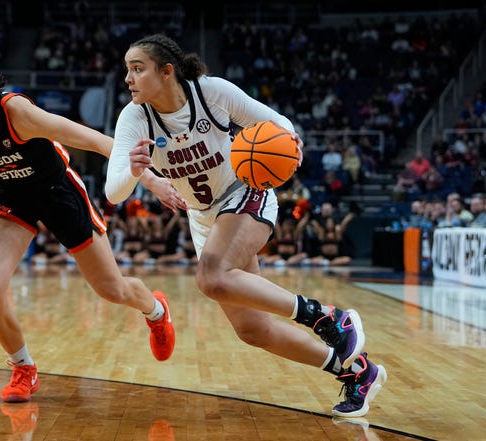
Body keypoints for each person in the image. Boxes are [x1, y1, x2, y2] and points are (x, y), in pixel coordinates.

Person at [105, 34, 386, 418]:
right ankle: (358, 373)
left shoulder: (212, 93)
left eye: (137, 68)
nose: (128, 78)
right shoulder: (134, 118)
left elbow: (277, 123)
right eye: (127, 70)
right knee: (252, 330)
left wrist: (289, 143)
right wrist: (135, 171)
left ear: (166, 71)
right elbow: (113, 192)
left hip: (244, 191)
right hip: (203, 217)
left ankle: (328, 317)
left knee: (210, 276)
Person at [0, 50, 176, 404]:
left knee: (112, 290)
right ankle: (23, 367)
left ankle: (157, 311)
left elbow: (96, 141)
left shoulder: (17, 113)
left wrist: (152, 181)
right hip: (7, 194)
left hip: (58, 191)